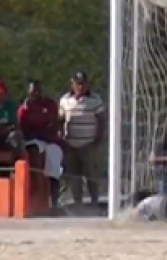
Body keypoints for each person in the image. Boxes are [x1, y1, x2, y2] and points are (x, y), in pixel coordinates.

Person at [59, 71, 105, 208]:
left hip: (89, 143)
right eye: (77, 83)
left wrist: (98, 138)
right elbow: (60, 120)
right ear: (72, 84)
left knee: (91, 175)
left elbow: (102, 120)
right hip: (70, 144)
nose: (80, 87)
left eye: (83, 84)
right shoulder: (65, 100)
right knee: (74, 176)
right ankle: (78, 204)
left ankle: (94, 202)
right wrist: (61, 135)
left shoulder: (95, 100)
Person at [18, 80, 64, 209]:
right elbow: (24, 129)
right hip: (33, 139)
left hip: (49, 139)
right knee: (35, 149)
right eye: (33, 91)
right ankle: (37, 189)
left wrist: (48, 131)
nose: (36, 94)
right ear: (28, 92)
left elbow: (53, 123)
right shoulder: (24, 108)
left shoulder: (49, 104)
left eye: (38, 91)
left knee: (55, 154)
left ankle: (54, 198)